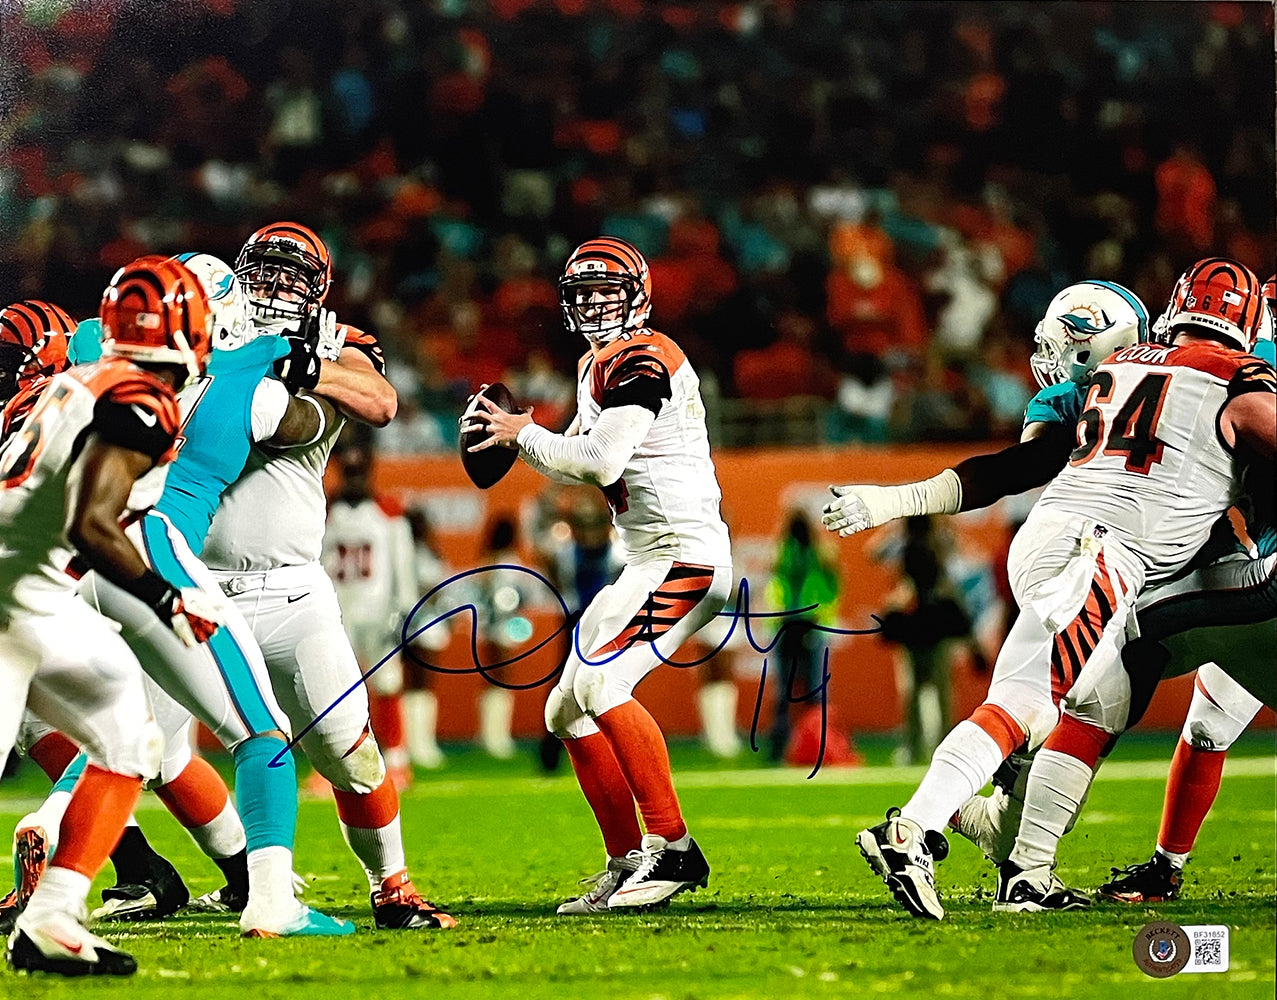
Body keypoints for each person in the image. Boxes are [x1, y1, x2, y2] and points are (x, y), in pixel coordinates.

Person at [846, 258, 1274, 920]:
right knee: (1025, 703)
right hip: (1104, 550)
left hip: (1071, 537)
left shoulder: (1120, 365)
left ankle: (1018, 867)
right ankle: (914, 828)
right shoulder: (1240, 374)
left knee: (1072, 704)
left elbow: (1022, 464)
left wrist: (896, 499)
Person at [464, 235, 733, 912]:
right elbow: (583, 461)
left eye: (605, 291)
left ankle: (673, 846)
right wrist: (521, 440)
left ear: (638, 296)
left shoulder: (644, 356)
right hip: (648, 557)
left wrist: (521, 433)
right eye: (581, 294)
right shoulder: (596, 363)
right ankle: (626, 859)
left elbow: (602, 461)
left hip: (684, 554)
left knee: (604, 684)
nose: (593, 305)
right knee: (564, 709)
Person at [203, 221, 454, 930]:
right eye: (267, 270)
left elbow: (381, 403)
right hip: (194, 589)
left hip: (291, 591)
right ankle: (219, 879)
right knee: (135, 745)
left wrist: (302, 362)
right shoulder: (203, 327)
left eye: (294, 275)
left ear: (318, 290)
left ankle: (391, 886)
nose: (278, 286)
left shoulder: (334, 343)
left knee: (351, 753)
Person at [0, 258, 212, 975]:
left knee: (126, 733)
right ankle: (51, 918)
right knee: (126, 732)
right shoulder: (141, 398)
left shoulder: (71, 384)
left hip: (30, 592)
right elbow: (92, 523)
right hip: (20, 592)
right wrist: (167, 597)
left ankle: (51, 920)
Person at [322, 444, 418, 789]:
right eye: (349, 473)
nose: (354, 480)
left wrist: (405, 610)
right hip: (337, 612)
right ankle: (336, 764)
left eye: (358, 473)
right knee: (334, 691)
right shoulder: (324, 511)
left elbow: (403, 565)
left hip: (379, 613)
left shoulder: (388, 512)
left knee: (388, 684)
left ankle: (397, 760)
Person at [764, 510, 840, 763]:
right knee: (799, 692)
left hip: (803, 623)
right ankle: (805, 746)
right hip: (798, 623)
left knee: (799, 692)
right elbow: (833, 585)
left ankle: (809, 745)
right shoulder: (800, 552)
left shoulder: (794, 552)